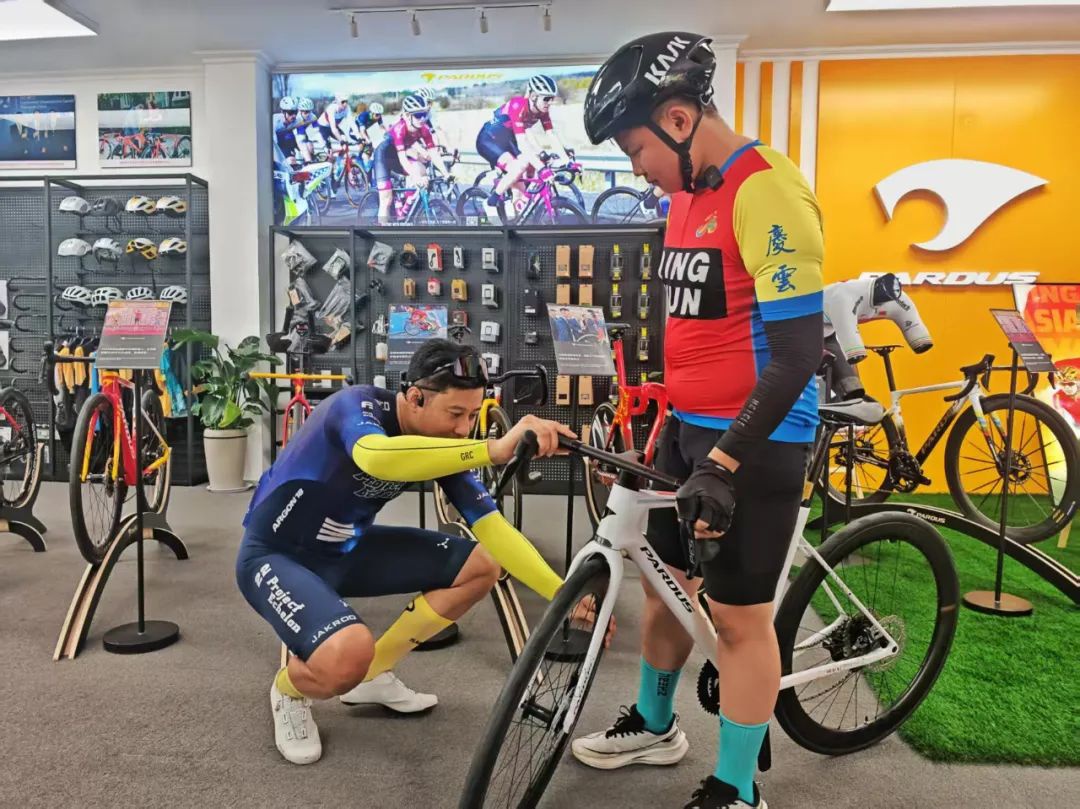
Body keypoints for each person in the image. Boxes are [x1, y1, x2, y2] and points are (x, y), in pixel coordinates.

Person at [572, 32, 825, 809]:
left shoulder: (767, 191)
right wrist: (669, 410)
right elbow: (702, 323)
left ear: (679, 119)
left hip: (759, 439)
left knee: (740, 621)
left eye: (635, 148)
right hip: (688, 427)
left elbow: (796, 354)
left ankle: (738, 787)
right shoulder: (684, 196)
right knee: (665, 585)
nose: (636, 168)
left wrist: (726, 460)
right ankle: (656, 724)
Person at [237, 340, 572, 765]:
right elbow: (377, 458)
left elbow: (493, 529)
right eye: (455, 413)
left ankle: (373, 675)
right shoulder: (355, 406)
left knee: (481, 567)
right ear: (415, 398)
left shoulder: (441, 442)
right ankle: (288, 691)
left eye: (473, 416)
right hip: (276, 555)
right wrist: (492, 450)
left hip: (345, 551)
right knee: (346, 654)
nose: (463, 429)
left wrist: (564, 595)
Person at [475, 74, 573, 218]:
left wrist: (566, 160)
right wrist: (542, 169)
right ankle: (491, 202)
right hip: (489, 139)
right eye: (546, 98)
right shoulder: (518, 105)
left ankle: (519, 200)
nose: (550, 102)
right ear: (533, 96)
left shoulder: (542, 111)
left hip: (508, 139)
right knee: (518, 167)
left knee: (533, 161)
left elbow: (551, 135)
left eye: (552, 98)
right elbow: (522, 143)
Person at [372, 94, 451, 224]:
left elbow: (434, 154)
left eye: (425, 114)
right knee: (386, 200)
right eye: (418, 115)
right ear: (408, 116)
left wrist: (446, 174)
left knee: (421, 169)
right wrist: (417, 178)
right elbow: (403, 160)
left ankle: (406, 205)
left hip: (399, 155)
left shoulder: (424, 129)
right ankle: (382, 230)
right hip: (383, 157)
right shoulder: (399, 129)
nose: (423, 119)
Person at [1052, 363, 1080, 430]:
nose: (1067, 388)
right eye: (1063, 384)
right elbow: (1060, 419)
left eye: (1070, 384)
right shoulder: (1057, 397)